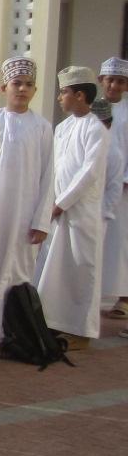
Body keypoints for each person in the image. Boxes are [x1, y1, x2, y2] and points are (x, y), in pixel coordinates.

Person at [36, 66, 110, 348]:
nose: (59, 98)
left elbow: (88, 173)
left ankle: (81, 332)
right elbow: (55, 168)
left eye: (63, 92)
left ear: (79, 95)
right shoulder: (63, 128)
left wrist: (61, 203)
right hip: (57, 210)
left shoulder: (96, 130)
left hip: (81, 212)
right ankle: (56, 323)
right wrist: (50, 202)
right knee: (57, 269)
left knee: (81, 269)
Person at [0, 56, 54, 309]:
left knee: (19, 272)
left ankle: (14, 334)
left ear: (35, 90)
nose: (23, 89)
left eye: (29, 84)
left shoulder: (42, 127)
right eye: (17, 83)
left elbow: (48, 176)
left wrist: (41, 221)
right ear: (4, 88)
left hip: (25, 215)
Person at [97, 58, 128, 322]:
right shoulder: (93, 109)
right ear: (101, 81)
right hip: (94, 184)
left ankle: (124, 297)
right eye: (110, 80)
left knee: (121, 242)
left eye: (120, 81)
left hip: (123, 186)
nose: (114, 85)